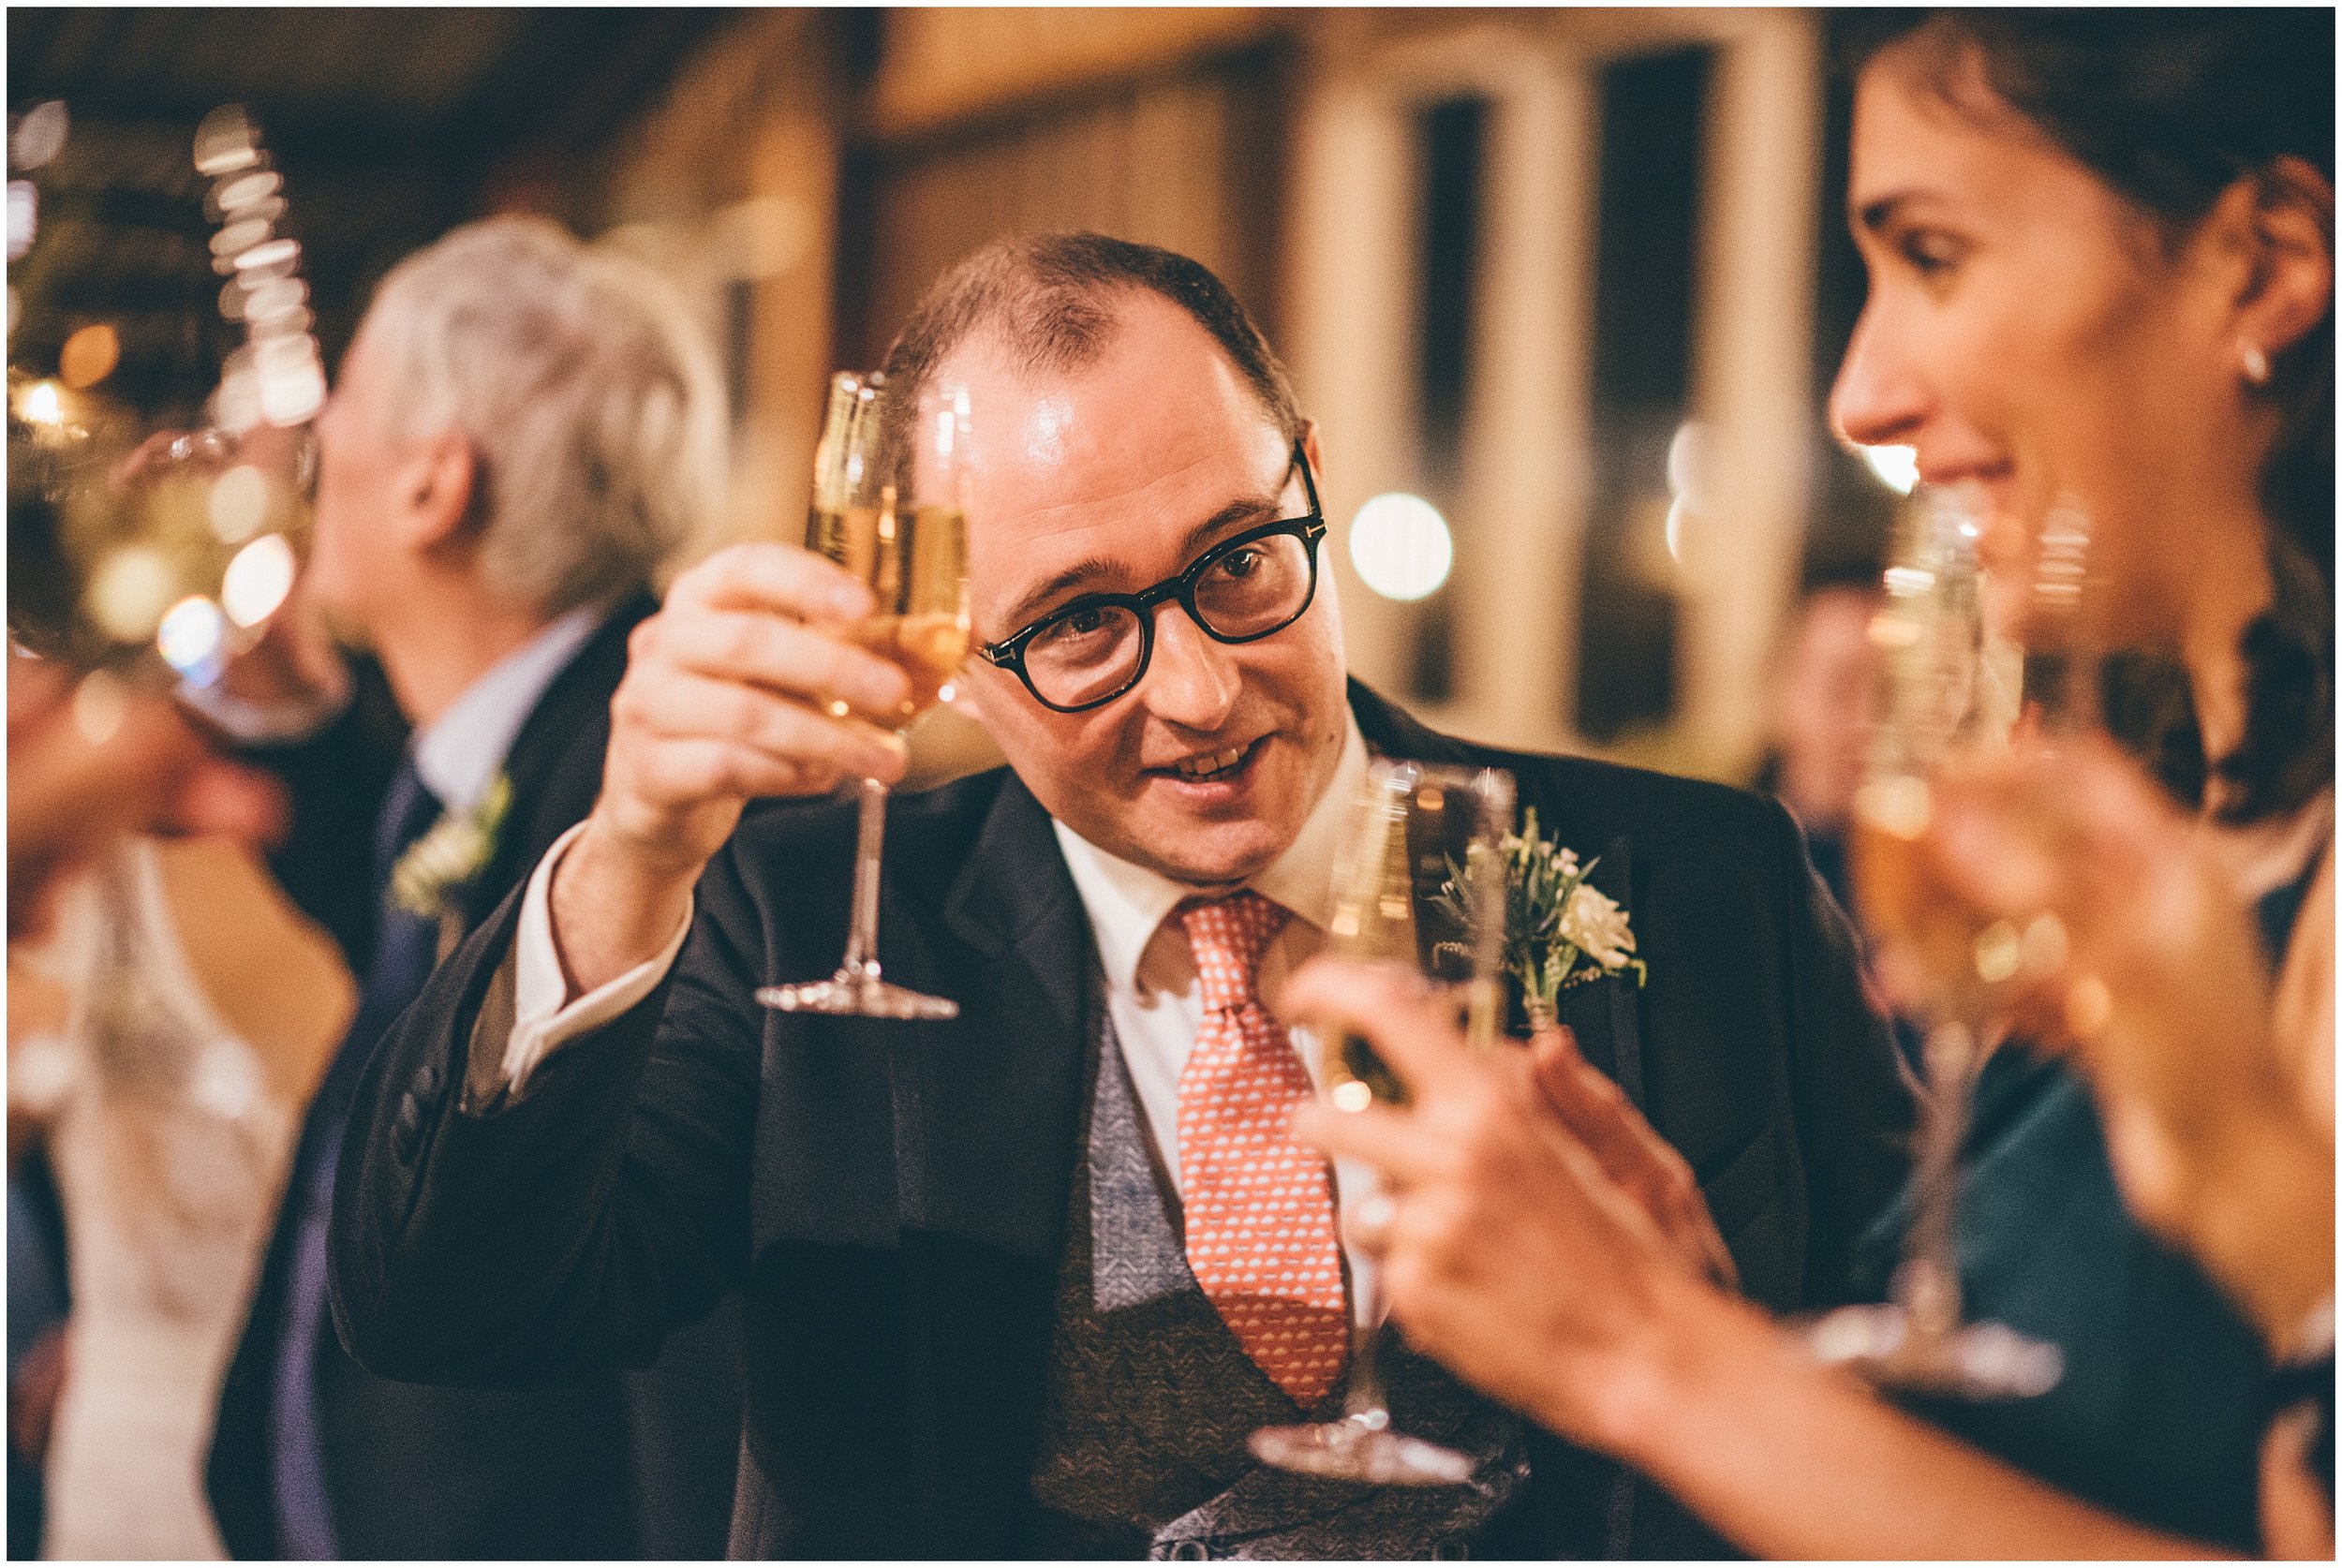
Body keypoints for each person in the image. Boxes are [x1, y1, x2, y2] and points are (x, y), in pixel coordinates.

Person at [327, 232, 1913, 1559]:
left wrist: (1715, 1358)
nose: (1205, 689)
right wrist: (627, 860)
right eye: (1083, 622)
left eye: (1239, 560)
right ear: (950, 639)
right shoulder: (785, 926)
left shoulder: (1711, 885)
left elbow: (1956, 1395)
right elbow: (449, 1310)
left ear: (1312, 481)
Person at [1293, 7, 2333, 1557]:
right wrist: (1698, 1300)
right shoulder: (2206, 847)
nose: (1859, 394)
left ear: (2256, 262)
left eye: (1933, 253)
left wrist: (1645, 1352)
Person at [205, 214, 745, 1561]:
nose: (303, 462)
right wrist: (302, 727)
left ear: (434, 487)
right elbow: (428, 960)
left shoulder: (658, 802)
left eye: (338, 430)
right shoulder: (527, 736)